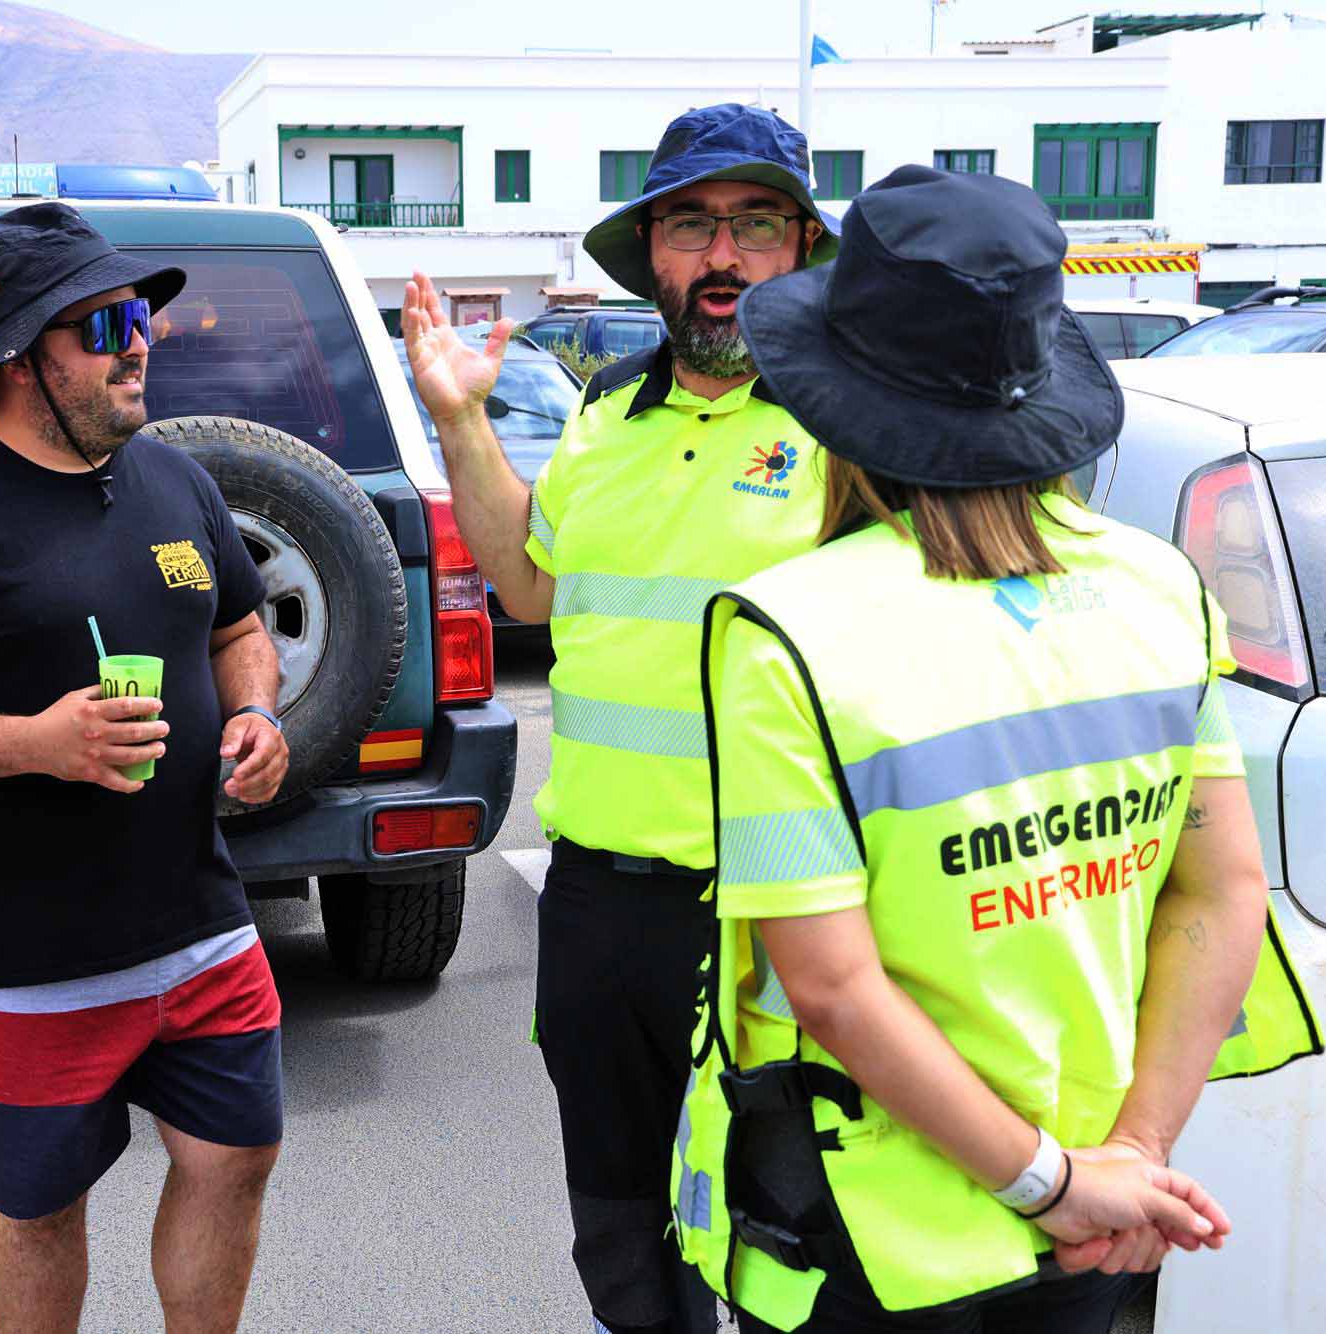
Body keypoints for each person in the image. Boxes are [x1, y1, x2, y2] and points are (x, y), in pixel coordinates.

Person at [671, 165, 1322, 1334]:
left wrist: (1051, 1183)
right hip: (1097, 1191)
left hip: (880, 1225)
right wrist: (1128, 1155)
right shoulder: (1159, 587)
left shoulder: (791, 630)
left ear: (833, 403)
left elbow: (831, 986)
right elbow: (1222, 890)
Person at [405, 103, 840, 1334]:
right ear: (651, 251)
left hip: (776, 908)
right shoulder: (603, 417)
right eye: (692, 224)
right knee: (622, 1231)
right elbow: (528, 585)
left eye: (756, 224)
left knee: (786, 1238)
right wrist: (460, 420)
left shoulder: (852, 429)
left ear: (803, 247)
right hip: (599, 905)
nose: (723, 255)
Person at [0, 203, 291, 1334]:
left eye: (144, 319)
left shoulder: (175, 483)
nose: (141, 345)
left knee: (235, 1158)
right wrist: (38, 742)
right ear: (22, 357)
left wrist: (256, 714)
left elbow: (238, 628)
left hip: (203, 924)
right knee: (41, 1209)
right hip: (31, 960)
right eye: (108, 326)